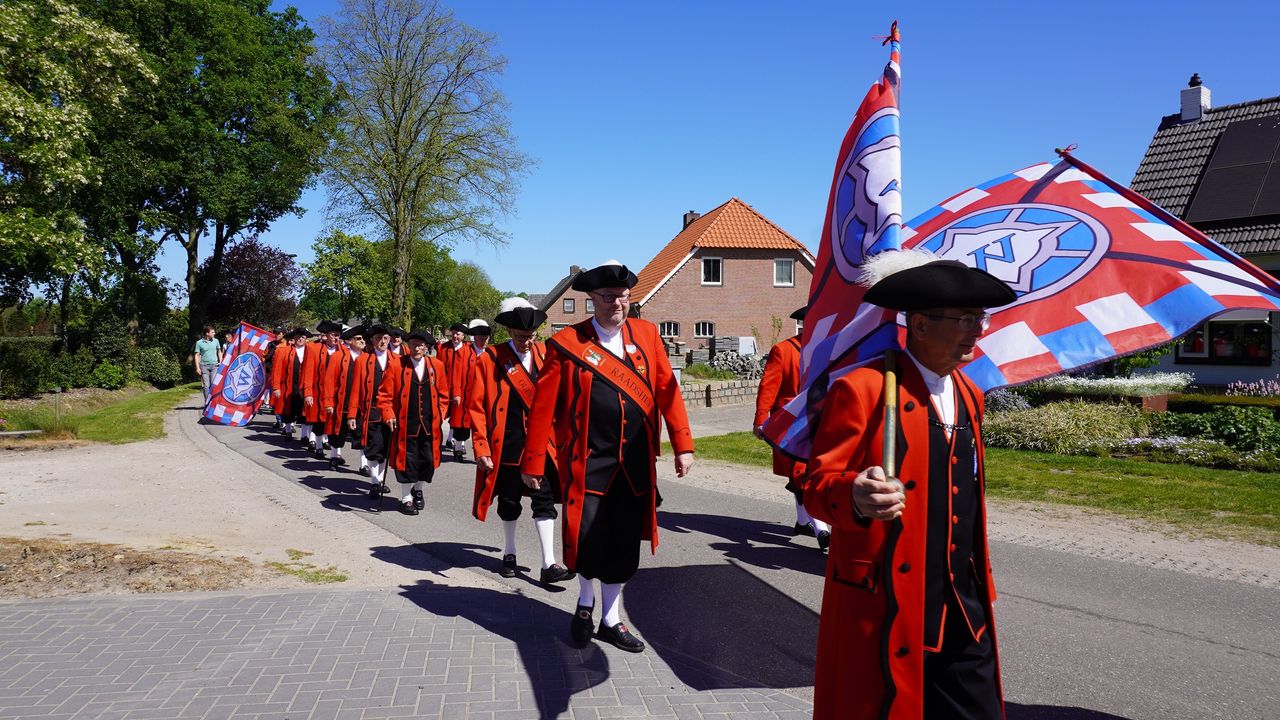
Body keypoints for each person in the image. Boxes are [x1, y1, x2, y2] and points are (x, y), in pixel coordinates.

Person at [803, 253, 1016, 720]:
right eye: (963, 319)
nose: (976, 330)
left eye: (979, 318)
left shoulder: (970, 394)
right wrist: (855, 495)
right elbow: (816, 486)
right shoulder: (863, 389)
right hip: (889, 603)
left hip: (965, 603)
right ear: (918, 326)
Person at [520, 261, 694, 653]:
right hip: (588, 461)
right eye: (609, 297)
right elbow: (543, 407)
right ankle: (584, 602)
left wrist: (683, 444)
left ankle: (610, 619)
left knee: (622, 543)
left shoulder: (648, 335)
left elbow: (667, 390)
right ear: (592, 300)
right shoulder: (567, 345)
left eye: (624, 297)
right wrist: (533, 462)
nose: (618, 303)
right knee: (587, 541)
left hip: (634, 465)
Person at [468, 297, 574, 586]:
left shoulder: (545, 354)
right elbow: (476, 407)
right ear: (509, 333)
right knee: (509, 502)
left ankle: (548, 563)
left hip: (540, 447)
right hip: (508, 446)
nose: (526, 342)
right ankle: (510, 553)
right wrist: (481, 446)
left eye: (531, 336)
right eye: (520, 336)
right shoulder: (490, 358)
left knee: (545, 501)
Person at [753, 305, 830, 550]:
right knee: (801, 474)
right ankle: (822, 530)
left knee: (811, 474)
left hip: (823, 422)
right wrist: (760, 419)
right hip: (791, 424)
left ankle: (802, 522)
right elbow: (769, 387)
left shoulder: (832, 350)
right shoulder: (784, 350)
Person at [376, 329, 449, 515]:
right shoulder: (396, 366)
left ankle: (418, 490)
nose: (417, 348)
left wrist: (440, 415)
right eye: (414, 344)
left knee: (426, 462)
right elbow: (384, 396)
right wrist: (388, 414)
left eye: (421, 345)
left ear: (427, 347)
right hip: (405, 425)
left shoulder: (436, 366)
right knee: (406, 463)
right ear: (408, 346)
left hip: (429, 425)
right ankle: (406, 498)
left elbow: (443, 396)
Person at [346, 324, 400, 490]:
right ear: (372, 340)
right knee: (374, 446)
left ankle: (380, 480)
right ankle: (375, 482)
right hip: (371, 410)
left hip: (390, 411)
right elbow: (355, 389)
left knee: (385, 448)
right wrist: (352, 415)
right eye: (378, 338)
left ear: (389, 339)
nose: (382, 342)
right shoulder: (363, 360)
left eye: (385, 338)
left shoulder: (398, 361)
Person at [322, 325, 365, 470]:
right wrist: (328, 402)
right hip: (341, 402)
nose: (362, 341)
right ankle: (334, 456)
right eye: (358, 338)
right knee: (337, 432)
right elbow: (329, 381)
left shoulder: (368, 358)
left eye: (363, 338)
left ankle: (363, 464)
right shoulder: (338, 356)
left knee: (361, 434)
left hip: (360, 404)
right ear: (350, 341)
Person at [447, 319, 491, 461]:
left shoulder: (491, 353)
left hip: (484, 395)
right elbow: (456, 374)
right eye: (480, 338)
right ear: (475, 338)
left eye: (485, 338)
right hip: (466, 394)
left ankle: (482, 452)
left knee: (482, 424)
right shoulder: (464, 351)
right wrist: (457, 393)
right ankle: (458, 447)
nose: (483, 341)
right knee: (461, 423)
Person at [300, 320, 343, 456]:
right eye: (333, 335)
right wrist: (308, 393)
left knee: (335, 422)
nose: (336, 338)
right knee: (319, 421)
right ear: (326, 335)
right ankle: (318, 445)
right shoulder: (314, 348)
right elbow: (308, 371)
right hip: (319, 392)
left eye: (338, 335)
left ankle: (336, 452)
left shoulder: (344, 351)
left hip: (337, 393)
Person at [270, 327, 312, 439]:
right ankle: (288, 431)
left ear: (306, 339)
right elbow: (277, 370)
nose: (300, 339)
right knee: (288, 410)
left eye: (303, 337)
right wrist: (276, 387)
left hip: (305, 387)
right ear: (294, 338)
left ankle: (304, 436)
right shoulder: (283, 351)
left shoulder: (311, 351)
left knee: (304, 412)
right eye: (298, 337)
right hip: (289, 386)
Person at [437, 322, 469, 454]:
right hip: (444, 387)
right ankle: (439, 439)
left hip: (461, 389)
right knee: (440, 414)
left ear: (463, 335)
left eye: (458, 334)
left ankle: (459, 444)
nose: (455, 336)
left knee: (459, 416)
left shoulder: (468, 350)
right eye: (454, 333)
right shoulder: (443, 348)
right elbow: (438, 367)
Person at [193, 326, 222, 403]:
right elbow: (196, 355)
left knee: (213, 385)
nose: (214, 333)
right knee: (206, 386)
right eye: (212, 332)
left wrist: (221, 361)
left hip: (214, 366)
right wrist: (197, 368)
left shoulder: (216, 341)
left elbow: (219, 351)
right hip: (204, 366)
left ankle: (213, 402)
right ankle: (207, 402)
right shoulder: (199, 343)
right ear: (207, 333)